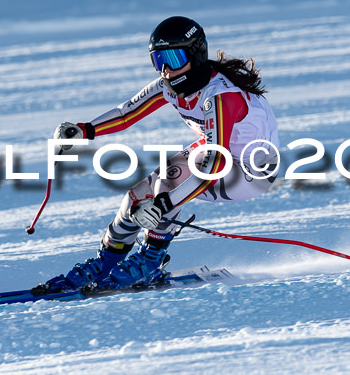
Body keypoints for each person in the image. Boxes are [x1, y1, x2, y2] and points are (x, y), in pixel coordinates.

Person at [34, 16, 279, 294]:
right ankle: (105, 264)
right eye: (158, 60)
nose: (166, 70)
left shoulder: (221, 97)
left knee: (170, 176)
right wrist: (84, 130)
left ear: (197, 54)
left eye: (174, 59)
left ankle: (151, 259)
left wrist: (163, 206)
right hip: (217, 157)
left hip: (250, 171)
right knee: (136, 197)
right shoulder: (169, 85)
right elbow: (128, 113)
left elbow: (216, 163)